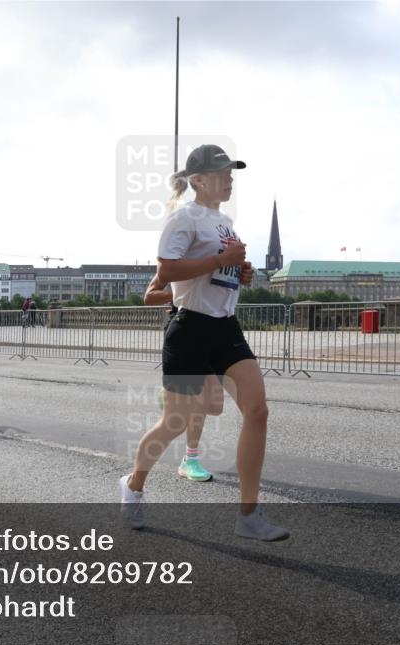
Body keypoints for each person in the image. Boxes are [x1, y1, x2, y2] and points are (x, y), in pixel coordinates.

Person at [120, 144, 286, 541]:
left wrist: (240, 271)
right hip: (190, 327)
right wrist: (218, 261)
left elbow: (222, 268)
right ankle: (133, 484)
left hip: (226, 327)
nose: (231, 179)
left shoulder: (224, 221)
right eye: (224, 172)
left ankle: (248, 515)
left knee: (258, 411)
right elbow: (168, 270)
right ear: (199, 180)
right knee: (174, 423)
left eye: (232, 172)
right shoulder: (184, 219)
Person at [145, 273, 220, 482]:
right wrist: (179, 294)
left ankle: (170, 395)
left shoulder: (216, 254)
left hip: (214, 332)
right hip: (185, 330)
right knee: (202, 402)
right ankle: (190, 459)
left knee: (216, 406)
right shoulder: (176, 261)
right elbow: (149, 296)